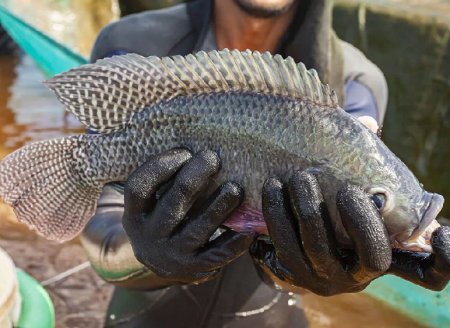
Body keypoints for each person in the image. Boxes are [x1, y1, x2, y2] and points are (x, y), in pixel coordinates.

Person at [81, 0, 450, 327]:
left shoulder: (357, 82)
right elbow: (89, 214)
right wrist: (144, 252)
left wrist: (320, 270)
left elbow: (348, 210)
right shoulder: (133, 42)